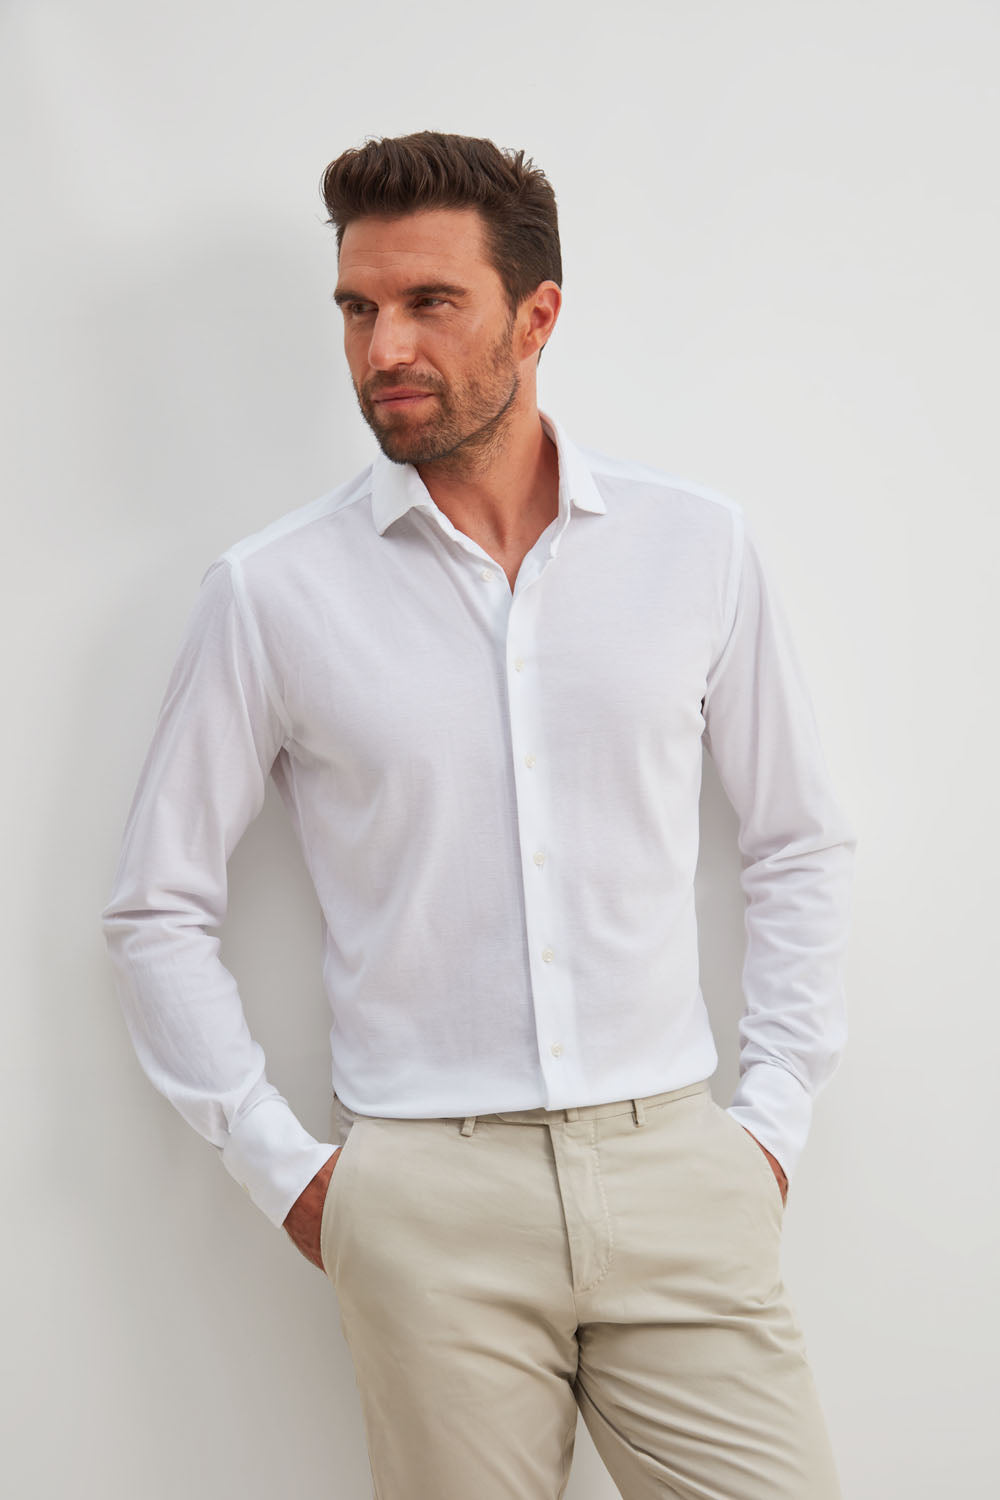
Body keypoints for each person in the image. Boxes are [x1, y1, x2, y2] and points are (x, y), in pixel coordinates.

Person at [102, 130, 855, 1499]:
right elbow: (156, 905)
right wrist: (291, 1173)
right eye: (357, 308)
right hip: (423, 1202)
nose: (383, 347)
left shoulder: (695, 548)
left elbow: (796, 840)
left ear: (536, 316)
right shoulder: (272, 591)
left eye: (429, 302)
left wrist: (771, 1123)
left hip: (680, 1174)